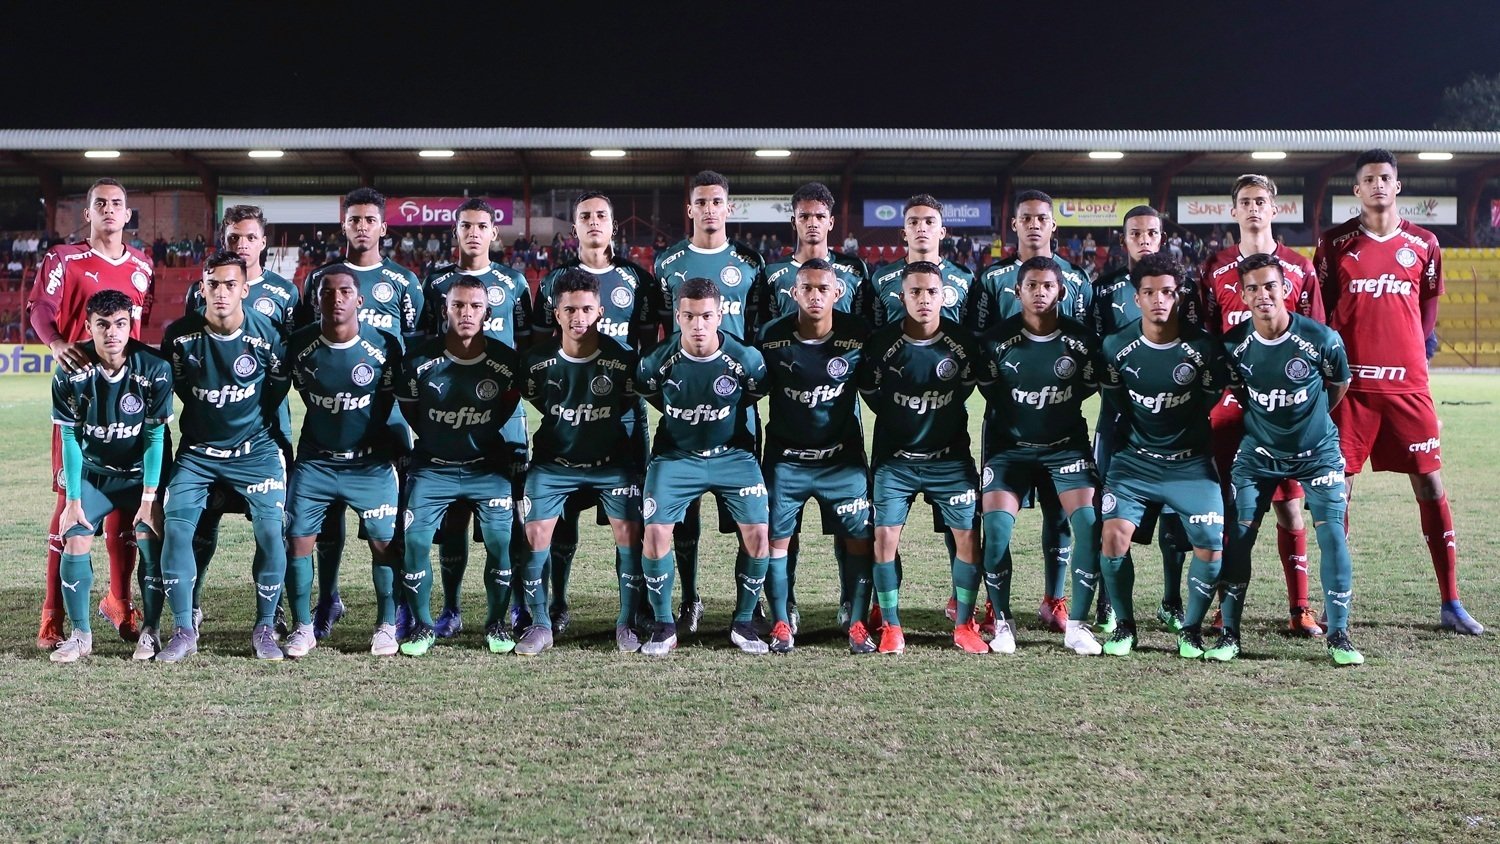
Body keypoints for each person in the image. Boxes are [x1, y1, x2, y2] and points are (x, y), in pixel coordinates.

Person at [1315, 148, 1483, 635]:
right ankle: (1334, 606)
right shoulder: (1334, 244)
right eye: (1369, 179)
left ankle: (1451, 602)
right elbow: (1323, 314)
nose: (1378, 186)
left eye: (1386, 178)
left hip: (1409, 387)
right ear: (1357, 189)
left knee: (1430, 484)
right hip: (1353, 390)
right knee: (1336, 493)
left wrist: (1415, 359)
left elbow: (1428, 309)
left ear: (1398, 185)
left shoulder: (1425, 243)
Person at [1215, 253, 1363, 665]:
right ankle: (1229, 634)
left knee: (1332, 533)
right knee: (1239, 535)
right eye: (1253, 288)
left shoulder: (1322, 338)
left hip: (1318, 453)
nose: (1262, 295)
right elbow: (1241, 394)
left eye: (1269, 286)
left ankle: (1339, 635)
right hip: (1259, 455)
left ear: (1286, 290)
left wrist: (1308, 421)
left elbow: (1340, 383)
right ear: (1242, 295)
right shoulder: (1233, 346)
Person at [27, 178, 155, 649]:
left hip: (129, 400)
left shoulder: (143, 265)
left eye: (116, 204)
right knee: (70, 504)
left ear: (127, 214)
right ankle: (53, 613)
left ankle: (118, 601)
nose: (108, 210)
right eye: (99, 203)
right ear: (87, 213)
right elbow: (41, 307)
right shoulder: (64, 259)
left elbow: (138, 326)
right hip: (80, 401)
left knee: (125, 504)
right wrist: (58, 343)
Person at [294, 188, 423, 640]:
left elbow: (416, 345)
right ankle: (328, 598)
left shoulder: (404, 282)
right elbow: (307, 344)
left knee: (387, 524)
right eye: (355, 219)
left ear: (383, 227)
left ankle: (397, 611)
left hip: (386, 419)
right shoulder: (320, 280)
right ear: (343, 226)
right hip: (332, 417)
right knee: (324, 518)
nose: (363, 226)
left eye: (370, 219)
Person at [1201, 175, 1326, 637]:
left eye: (1261, 201)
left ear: (1275, 209)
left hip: (1284, 412)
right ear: (1233, 211)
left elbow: (1315, 338)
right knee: (1231, 511)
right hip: (1233, 410)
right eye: (1245, 202)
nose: (1253, 208)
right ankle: (1223, 609)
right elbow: (1209, 341)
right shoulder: (1214, 267)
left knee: (1290, 509)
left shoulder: (1298, 267)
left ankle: (1300, 609)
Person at [966, 190, 1093, 633]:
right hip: (1008, 421)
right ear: (1014, 225)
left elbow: (1085, 348)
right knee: (995, 516)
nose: (1035, 225)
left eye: (1042, 218)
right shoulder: (990, 280)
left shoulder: (1079, 279)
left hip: (1060, 423)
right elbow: (978, 342)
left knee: (1061, 514)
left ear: (1053, 225)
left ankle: (1054, 599)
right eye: (1026, 218)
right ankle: (992, 603)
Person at [531, 192, 659, 630]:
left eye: (601, 215)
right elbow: (541, 346)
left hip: (623, 410)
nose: (593, 222)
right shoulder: (554, 281)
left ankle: (636, 606)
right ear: (575, 229)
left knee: (631, 514)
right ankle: (557, 603)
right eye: (584, 216)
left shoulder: (637, 279)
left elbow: (643, 345)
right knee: (563, 517)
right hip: (569, 409)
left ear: (613, 226)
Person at [156, 252, 291, 662]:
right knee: (176, 531)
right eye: (213, 284)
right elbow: (177, 386)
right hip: (197, 454)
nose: (220, 292)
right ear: (202, 288)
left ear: (245, 289)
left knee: (271, 532)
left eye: (230, 284)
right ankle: (183, 628)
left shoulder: (267, 335)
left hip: (256, 451)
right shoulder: (179, 337)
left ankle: (266, 627)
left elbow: (275, 392)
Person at [652, 171, 767, 632]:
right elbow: (664, 336)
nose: (709, 209)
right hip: (686, 396)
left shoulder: (750, 261)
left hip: (737, 402)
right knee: (683, 510)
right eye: (701, 202)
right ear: (691, 209)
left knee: (747, 513)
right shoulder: (668, 262)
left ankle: (750, 606)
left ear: (728, 207)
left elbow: (756, 330)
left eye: (717, 201)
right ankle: (690, 597)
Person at [1097, 252, 1227, 658]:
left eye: (1167, 292)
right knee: (1113, 537)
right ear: (1136, 298)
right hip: (1135, 461)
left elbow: (1209, 400)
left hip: (1190, 463)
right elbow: (1116, 402)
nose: (1159, 300)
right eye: (1149, 293)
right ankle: (1124, 626)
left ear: (1178, 295)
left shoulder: (1203, 348)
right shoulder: (1116, 347)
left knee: (1210, 544)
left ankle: (1190, 629)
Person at [858, 261, 990, 654]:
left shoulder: (963, 343)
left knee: (968, 538)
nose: (924, 299)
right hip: (895, 460)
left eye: (931, 292)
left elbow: (967, 388)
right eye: (915, 292)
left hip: (949, 459)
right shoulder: (881, 344)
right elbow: (872, 394)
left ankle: (964, 625)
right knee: (884, 539)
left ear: (943, 295)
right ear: (903, 298)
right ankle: (892, 627)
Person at [635, 277, 770, 656]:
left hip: (732, 455)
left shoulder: (747, 359)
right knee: (656, 533)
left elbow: (755, 392)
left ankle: (744, 620)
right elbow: (651, 394)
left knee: (759, 532)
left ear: (720, 315)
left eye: (706, 316)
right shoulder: (655, 361)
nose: (698, 326)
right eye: (690, 316)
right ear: (677, 316)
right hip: (676, 456)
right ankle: (664, 625)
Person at [977, 256, 1103, 656]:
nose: (1039, 292)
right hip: (1009, 450)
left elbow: (1086, 387)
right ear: (1018, 292)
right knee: (995, 531)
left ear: (1061, 292)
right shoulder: (996, 341)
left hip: (1065, 446)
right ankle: (1002, 623)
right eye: (1031, 285)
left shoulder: (1082, 341)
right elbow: (991, 391)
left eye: (1047, 286)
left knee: (1087, 525)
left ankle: (1076, 623)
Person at [182, 205, 300, 634]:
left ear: (263, 242)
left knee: (274, 523)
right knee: (203, 520)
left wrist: (264, 409)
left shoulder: (286, 294)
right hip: (209, 426)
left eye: (249, 237)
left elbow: (286, 366)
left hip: (268, 425)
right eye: (234, 238)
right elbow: (190, 357)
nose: (242, 245)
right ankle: (191, 603)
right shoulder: (204, 291)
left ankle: (276, 607)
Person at [419, 198, 532, 641]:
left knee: (512, 517)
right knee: (453, 515)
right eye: (465, 226)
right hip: (450, 412)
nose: (473, 233)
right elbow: (429, 346)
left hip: (504, 414)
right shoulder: (436, 283)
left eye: (481, 226)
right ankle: (450, 608)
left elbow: (524, 344)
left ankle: (515, 605)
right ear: (455, 233)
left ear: (493, 233)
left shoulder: (515, 283)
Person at [760, 183, 872, 627]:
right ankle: (783, 609)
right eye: (803, 215)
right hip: (789, 436)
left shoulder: (854, 273)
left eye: (819, 216)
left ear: (830, 222)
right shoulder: (772, 278)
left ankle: (852, 603)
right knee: (782, 529)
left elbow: (864, 343)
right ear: (795, 221)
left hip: (841, 435)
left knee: (852, 530)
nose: (811, 223)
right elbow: (764, 344)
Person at [395, 275, 522, 656]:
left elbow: (505, 409)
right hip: (433, 467)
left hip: (487, 468)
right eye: (458, 305)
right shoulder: (418, 360)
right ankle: (422, 626)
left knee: (501, 542)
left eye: (475, 306)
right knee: (415, 542)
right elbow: (412, 412)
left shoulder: (505, 362)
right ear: (445, 309)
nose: (466, 313)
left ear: (488, 311)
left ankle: (496, 623)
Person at [518, 268, 644, 654]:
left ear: (600, 311)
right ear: (556, 314)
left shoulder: (622, 360)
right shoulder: (535, 363)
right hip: (555, 464)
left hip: (610, 464)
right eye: (569, 310)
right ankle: (541, 624)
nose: (578, 318)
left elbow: (630, 409)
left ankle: (627, 622)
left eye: (586, 309)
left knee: (629, 535)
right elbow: (537, 401)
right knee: (535, 535)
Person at [283, 267, 405, 657]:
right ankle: (304, 627)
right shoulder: (299, 345)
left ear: (360, 300)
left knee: (385, 545)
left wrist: (398, 453)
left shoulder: (385, 345)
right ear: (316, 299)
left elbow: (394, 405)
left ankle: (386, 625)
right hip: (316, 462)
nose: (336, 299)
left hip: (369, 465)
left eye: (345, 292)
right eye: (327, 292)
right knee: (298, 542)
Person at [48, 290, 172, 662]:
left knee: (150, 539)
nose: (112, 333)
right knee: (74, 535)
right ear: (88, 327)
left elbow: (155, 436)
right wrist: (72, 501)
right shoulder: (71, 371)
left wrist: (150, 499)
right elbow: (69, 437)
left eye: (120, 324)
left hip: (139, 479)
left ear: (130, 324)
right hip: (95, 475)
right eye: (102, 325)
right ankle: (81, 635)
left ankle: (150, 631)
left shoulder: (153, 367)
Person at [866, 195, 974, 327]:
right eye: (913, 222)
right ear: (904, 234)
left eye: (929, 222)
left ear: (942, 232)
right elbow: (875, 332)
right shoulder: (881, 278)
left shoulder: (965, 278)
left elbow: (970, 333)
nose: (921, 228)